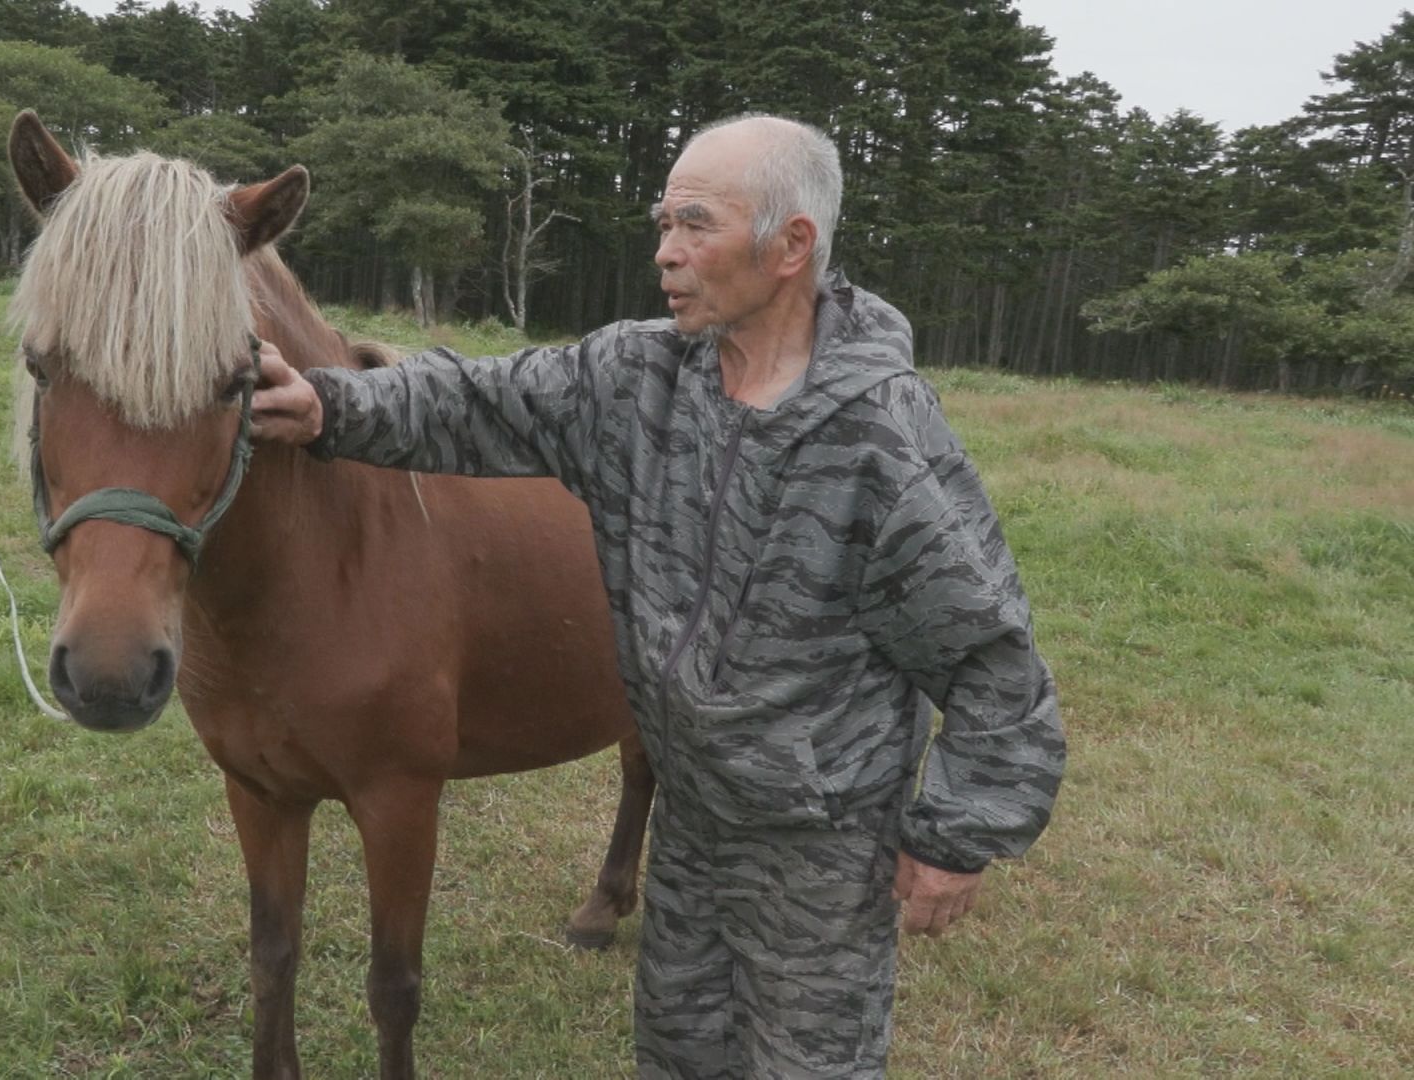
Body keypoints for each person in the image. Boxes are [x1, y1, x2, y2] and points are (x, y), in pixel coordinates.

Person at [249, 114, 1065, 1078]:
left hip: (819, 847)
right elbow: (476, 401)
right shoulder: (640, 376)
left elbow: (989, 656)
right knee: (680, 1056)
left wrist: (960, 834)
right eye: (661, 223)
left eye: (694, 225)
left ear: (791, 245)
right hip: (691, 824)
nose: (664, 253)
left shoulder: (880, 435)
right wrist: (328, 403)